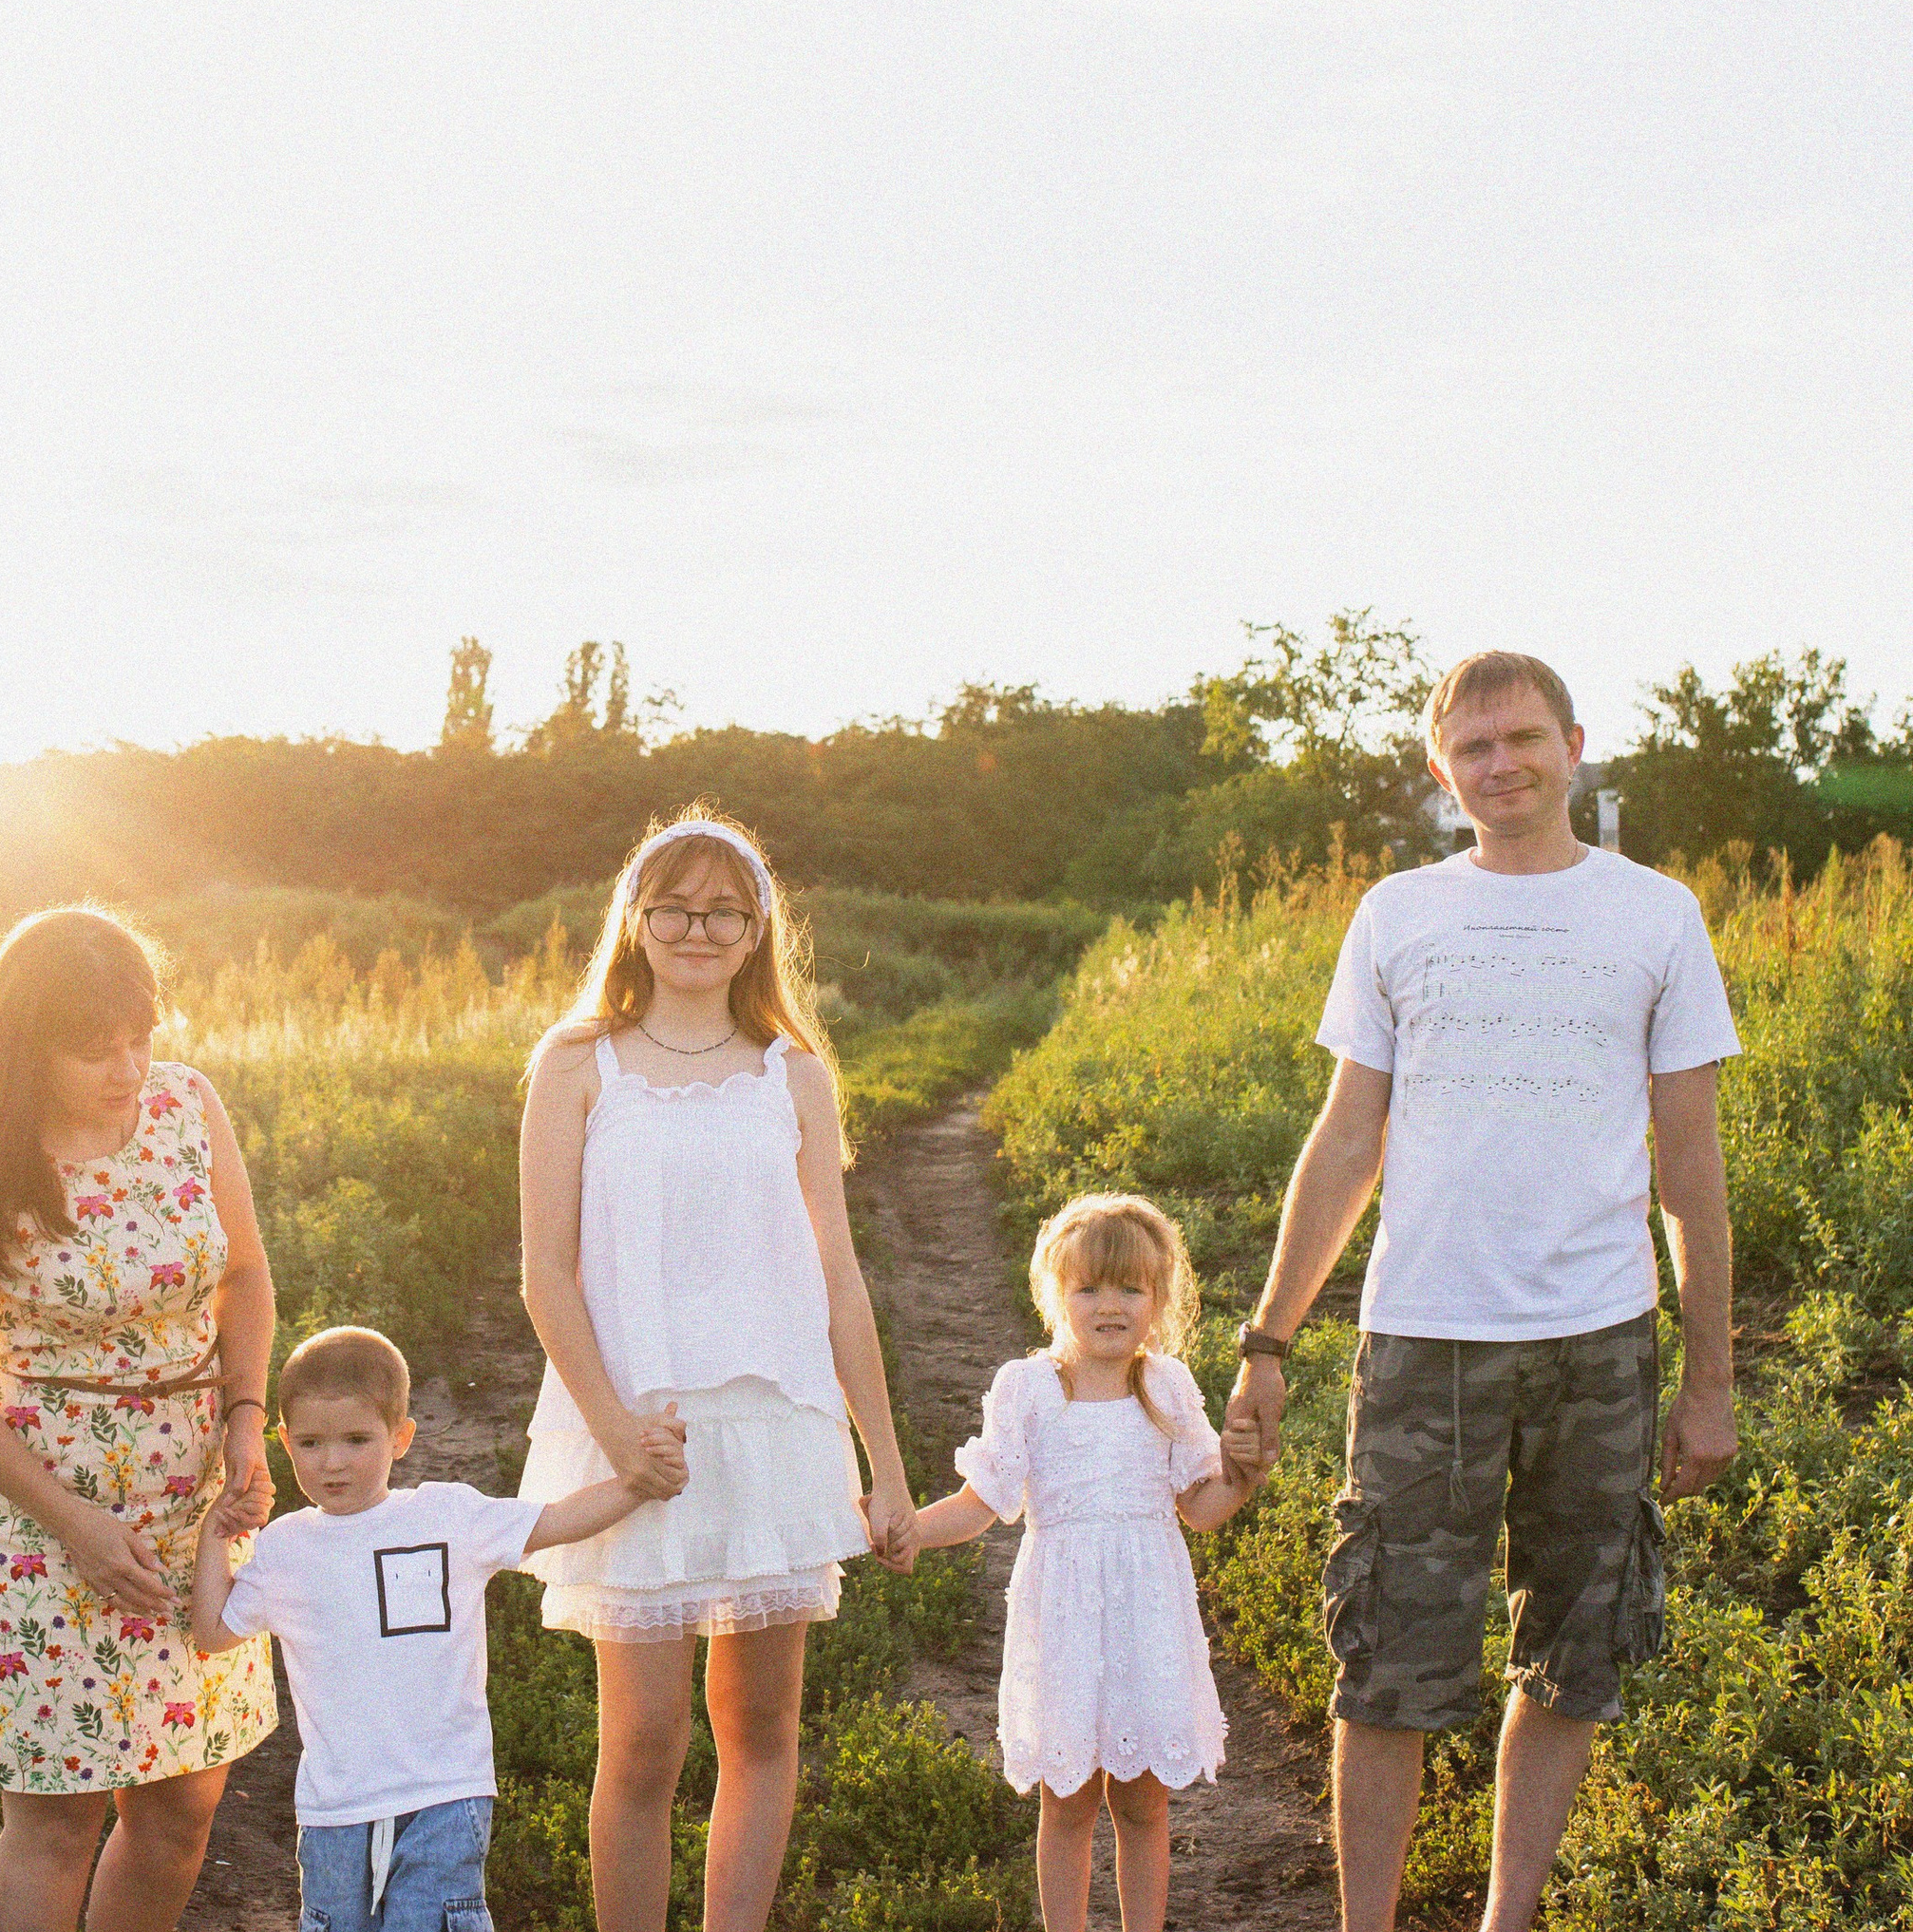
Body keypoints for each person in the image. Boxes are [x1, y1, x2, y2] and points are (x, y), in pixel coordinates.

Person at [1222, 651, 1742, 1932]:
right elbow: (1349, 1137)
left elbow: (1690, 1165)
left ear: (1574, 743)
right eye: (1473, 749)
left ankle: (1509, 1917)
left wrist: (1711, 1378)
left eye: (1522, 740)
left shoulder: (1656, 914)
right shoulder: (1401, 913)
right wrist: (1268, 1339)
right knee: (1386, 1663)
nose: (1500, 767)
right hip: (1422, 1342)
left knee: (1577, 1654)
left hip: (1599, 1341)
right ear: (1441, 767)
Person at [515, 809, 918, 1932]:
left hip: (774, 1425)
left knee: (760, 1730)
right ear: (635, 922)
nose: (698, 928)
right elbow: (544, 1271)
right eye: (674, 907)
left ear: (755, 931)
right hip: (635, 1427)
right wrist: (615, 1435)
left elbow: (837, 1278)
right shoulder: (576, 1060)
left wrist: (884, 1466)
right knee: (642, 1740)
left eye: (723, 910)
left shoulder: (790, 1072)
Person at [0, 907, 279, 1932]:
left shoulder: (188, 1105)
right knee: (58, 1818)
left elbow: (243, 1272)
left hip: (195, 1503)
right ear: (29, 1043)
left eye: (139, 1034)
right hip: (45, 1520)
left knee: (184, 1803)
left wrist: (246, 1419)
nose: (127, 1065)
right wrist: (73, 1521)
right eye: (93, 1044)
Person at [189, 1326, 654, 1932]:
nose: (333, 1462)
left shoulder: (446, 1516)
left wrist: (637, 1483)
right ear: (284, 1442)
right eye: (310, 1442)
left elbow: (558, 1520)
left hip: (444, 1793)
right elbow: (213, 1633)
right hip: (335, 1809)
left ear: (400, 1436)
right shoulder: (284, 1549)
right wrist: (212, 1537)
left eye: (357, 1439)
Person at [912, 1193, 1260, 1932]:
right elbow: (984, 1501)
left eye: (1132, 1288)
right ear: (1054, 1295)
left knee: (1141, 1799)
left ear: (1160, 1299)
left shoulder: (1166, 1386)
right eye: (1089, 1288)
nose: (1111, 1305)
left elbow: (1199, 1507)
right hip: (1064, 1613)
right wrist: (912, 1529)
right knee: (1066, 1798)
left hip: (1146, 1612)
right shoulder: (1029, 1387)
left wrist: (1244, 1474)